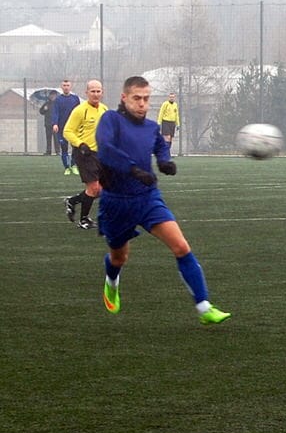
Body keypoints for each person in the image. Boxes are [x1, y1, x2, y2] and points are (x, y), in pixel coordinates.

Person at [95, 76, 230, 325]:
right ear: (124, 97)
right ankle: (111, 281)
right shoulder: (110, 120)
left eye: (146, 99)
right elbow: (105, 149)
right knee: (119, 257)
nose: (143, 104)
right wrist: (133, 169)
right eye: (137, 98)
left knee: (181, 246)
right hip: (116, 202)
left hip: (147, 199)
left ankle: (204, 307)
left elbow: (159, 144)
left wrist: (164, 161)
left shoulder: (150, 127)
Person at [63, 80, 107, 230]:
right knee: (94, 188)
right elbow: (67, 131)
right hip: (84, 154)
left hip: (100, 154)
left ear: (102, 92)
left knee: (102, 190)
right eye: (93, 91)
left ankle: (73, 201)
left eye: (98, 91)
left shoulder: (104, 110)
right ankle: (84, 220)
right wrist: (80, 144)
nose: (96, 94)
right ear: (86, 93)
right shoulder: (80, 110)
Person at [51, 80, 81, 175]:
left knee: (76, 148)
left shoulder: (75, 99)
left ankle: (73, 165)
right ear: (61, 87)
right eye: (64, 85)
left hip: (74, 128)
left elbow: (79, 112)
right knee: (64, 148)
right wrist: (55, 123)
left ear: (70, 86)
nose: (66, 87)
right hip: (62, 128)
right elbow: (55, 112)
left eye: (68, 85)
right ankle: (67, 168)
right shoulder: (58, 100)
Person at [39, 90, 60, 155]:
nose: (52, 96)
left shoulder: (58, 104)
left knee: (56, 138)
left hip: (55, 124)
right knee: (48, 138)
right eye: (51, 95)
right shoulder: (46, 104)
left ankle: (57, 151)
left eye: (54, 95)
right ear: (49, 96)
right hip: (48, 124)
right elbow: (41, 112)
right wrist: (44, 109)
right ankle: (48, 151)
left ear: (56, 96)